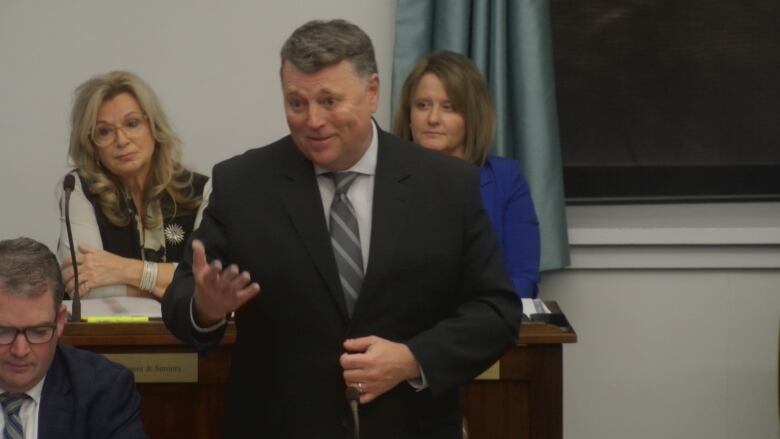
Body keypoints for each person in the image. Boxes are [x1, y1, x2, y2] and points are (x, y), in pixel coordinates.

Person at [162, 19, 522, 438]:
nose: (312, 120)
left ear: (372, 92)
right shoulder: (243, 184)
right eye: (297, 103)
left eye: (329, 101)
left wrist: (412, 358)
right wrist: (206, 308)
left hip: (410, 423)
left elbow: (496, 312)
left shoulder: (446, 185)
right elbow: (182, 301)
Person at [393, 50, 541, 298]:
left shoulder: (506, 178)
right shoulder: (386, 176)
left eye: (449, 108)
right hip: (404, 332)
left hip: (485, 327)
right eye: (422, 105)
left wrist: (470, 323)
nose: (433, 118)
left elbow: (523, 280)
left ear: (472, 117)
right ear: (409, 116)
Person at [57, 70, 210, 299]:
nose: (121, 140)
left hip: (187, 335)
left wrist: (122, 269)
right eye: (104, 131)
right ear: (91, 143)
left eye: (132, 123)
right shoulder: (78, 189)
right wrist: (175, 287)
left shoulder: (202, 191)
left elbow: (208, 281)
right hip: (108, 334)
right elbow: (84, 288)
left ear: (153, 126)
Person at [0, 237, 147, 438]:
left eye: (38, 331)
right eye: (3, 332)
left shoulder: (104, 391)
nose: (20, 350)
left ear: (60, 321)